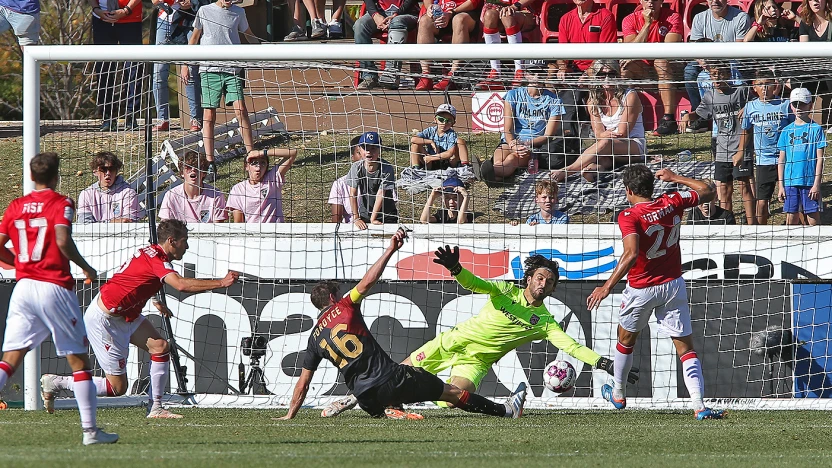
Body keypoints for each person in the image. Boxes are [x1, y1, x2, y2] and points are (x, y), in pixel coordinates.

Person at [322, 251, 639, 418]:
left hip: (476, 361)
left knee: (452, 401)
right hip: (451, 343)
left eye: (550, 281)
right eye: (540, 277)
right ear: (529, 278)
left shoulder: (543, 320)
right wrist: (457, 269)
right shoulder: (503, 291)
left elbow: (570, 346)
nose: (544, 283)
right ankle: (350, 400)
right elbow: (476, 284)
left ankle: (396, 404)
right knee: (396, 374)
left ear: (554, 288)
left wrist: (605, 363)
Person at [278, 229, 528, 421]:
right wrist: (390, 250)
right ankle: (506, 411)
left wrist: (290, 415)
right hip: (392, 380)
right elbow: (367, 282)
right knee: (450, 392)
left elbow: (303, 382)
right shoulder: (344, 306)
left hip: (366, 399)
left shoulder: (314, 339)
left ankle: (389, 410)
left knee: (389, 391)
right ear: (333, 298)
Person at [40, 219, 239, 419]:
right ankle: (57, 383)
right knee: (117, 388)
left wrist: (154, 299)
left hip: (126, 314)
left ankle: (156, 408)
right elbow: (180, 285)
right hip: (105, 320)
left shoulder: (150, 252)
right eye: (184, 241)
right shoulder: (157, 260)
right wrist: (221, 282)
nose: (186, 246)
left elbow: (134, 277)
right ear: (171, 241)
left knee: (160, 347)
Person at [586, 165, 726, 420]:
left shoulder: (629, 215)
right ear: (652, 187)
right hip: (672, 284)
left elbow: (630, 254)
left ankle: (618, 394)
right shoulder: (672, 201)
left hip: (641, 287)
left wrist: (606, 287)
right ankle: (700, 406)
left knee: (625, 339)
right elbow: (707, 191)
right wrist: (675, 177)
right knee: (685, 348)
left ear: (628, 190)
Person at [0, 152, 118, 445]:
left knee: (10, 360)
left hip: (24, 287)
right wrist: (86, 267)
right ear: (55, 177)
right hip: (53, 286)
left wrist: (18, 263)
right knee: (79, 362)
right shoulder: (61, 203)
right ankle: (90, 432)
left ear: (31, 176)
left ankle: (92, 432)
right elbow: (62, 240)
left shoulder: (16, 206)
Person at [181, 0, 259, 174]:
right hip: (209, 70)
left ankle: (251, 155)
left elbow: (248, 34)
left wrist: (265, 50)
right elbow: (194, 38)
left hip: (232, 69)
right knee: (208, 115)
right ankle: (210, 162)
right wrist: (185, 64)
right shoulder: (204, 11)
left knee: (241, 110)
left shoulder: (239, 12)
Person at [551, 60, 645, 183]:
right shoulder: (593, 100)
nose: (607, 78)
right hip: (608, 148)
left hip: (633, 146)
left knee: (605, 144)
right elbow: (598, 133)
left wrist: (604, 136)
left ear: (618, 75)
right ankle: (592, 171)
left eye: (611, 74)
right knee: (602, 158)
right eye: (602, 75)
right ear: (596, 77)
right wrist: (603, 136)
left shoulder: (630, 96)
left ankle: (567, 170)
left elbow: (623, 133)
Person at [688, 63, 755, 224]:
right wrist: (687, 117)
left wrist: (749, 107)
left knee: (744, 187)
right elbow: (698, 114)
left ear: (728, 74)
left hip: (741, 147)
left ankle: (753, 225)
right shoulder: (710, 96)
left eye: (721, 73)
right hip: (722, 149)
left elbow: (757, 104)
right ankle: (728, 223)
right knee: (724, 190)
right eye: (714, 74)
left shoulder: (741, 91)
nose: (717, 77)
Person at [481, 63, 568, 182]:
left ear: (546, 75)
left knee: (511, 159)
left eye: (541, 73)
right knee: (499, 160)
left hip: (533, 145)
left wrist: (526, 143)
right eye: (533, 73)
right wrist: (513, 143)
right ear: (526, 75)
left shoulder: (554, 100)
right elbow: (508, 128)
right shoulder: (513, 95)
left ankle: (485, 173)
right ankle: (494, 175)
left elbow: (548, 136)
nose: (537, 76)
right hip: (509, 140)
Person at [684, 0, 750, 133]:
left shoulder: (741, 17)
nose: (715, 1)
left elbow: (738, 51)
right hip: (707, 60)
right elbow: (696, 48)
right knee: (689, 71)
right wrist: (703, 62)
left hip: (730, 61)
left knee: (735, 71)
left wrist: (716, 65)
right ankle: (700, 115)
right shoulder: (699, 18)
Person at [621, 0, 684, 136]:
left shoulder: (673, 17)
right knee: (624, 69)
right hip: (643, 66)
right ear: (641, 1)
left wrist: (640, 50)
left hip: (669, 66)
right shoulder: (629, 19)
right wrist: (647, 24)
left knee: (661, 62)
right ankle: (622, 118)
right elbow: (630, 50)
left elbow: (669, 49)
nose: (651, 2)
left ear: (661, 1)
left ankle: (669, 119)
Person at [740, 69, 793, 225]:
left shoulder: (784, 105)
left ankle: (794, 227)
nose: (764, 88)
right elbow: (746, 130)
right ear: (754, 87)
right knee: (762, 201)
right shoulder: (750, 107)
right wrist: (740, 152)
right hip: (764, 161)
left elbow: (793, 127)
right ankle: (761, 231)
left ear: (775, 86)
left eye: (768, 84)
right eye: (760, 85)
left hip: (786, 159)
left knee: (790, 198)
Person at [90, 0, 144, 132]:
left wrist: (126, 10)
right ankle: (107, 117)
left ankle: (131, 116)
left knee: (133, 70)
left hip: (130, 19)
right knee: (104, 69)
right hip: (102, 19)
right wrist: (96, 9)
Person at [151, 0, 202, 132]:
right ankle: (162, 119)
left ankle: (195, 118)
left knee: (190, 69)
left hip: (190, 19)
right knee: (159, 72)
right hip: (164, 20)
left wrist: (192, 2)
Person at [778, 87, 826, 226]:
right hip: (790, 182)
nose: (798, 108)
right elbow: (781, 161)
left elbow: (820, 159)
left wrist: (816, 184)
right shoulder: (786, 131)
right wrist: (781, 186)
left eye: (802, 104)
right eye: (795, 104)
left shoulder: (816, 129)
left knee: (812, 217)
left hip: (809, 182)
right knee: (791, 217)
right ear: (791, 106)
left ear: (810, 105)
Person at [414, 0, 480, 91]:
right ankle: (426, 75)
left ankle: (453, 75)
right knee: (425, 21)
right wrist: (430, 7)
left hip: (466, 12)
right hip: (442, 11)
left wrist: (451, 13)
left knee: (459, 20)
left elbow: (473, 2)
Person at [475, 0, 541, 90]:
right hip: (504, 10)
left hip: (528, 12)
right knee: (489, 15)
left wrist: (515, 6)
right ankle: (495, 74)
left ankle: (519, 71)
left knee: (508, 15)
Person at [354, 0, 419, 90]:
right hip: (380, 13)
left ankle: (391, 74)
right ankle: (369, 75)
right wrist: (375, 15)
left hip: (407, 14)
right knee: (359, 25)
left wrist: (396, 15)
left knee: (397, 22)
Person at [226, 147, 297, 223]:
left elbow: (293, 152)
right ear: (246, 166)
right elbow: (238, 222)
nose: (258, 167)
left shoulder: (273, 179)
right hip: (253, 233)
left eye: (262, 163)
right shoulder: (238, 189)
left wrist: (262, 152)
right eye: (254, 163)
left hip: (276, 231)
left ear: (267, 166)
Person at [158, 151, 228, 223]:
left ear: (204, 173)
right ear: (182, 173)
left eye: (197, 167)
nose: (193, 170)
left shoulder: (216, 195)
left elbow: (218, 229)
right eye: (188, 167)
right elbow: (165, 227)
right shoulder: (171, 196)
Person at [348, 131, 399, 229]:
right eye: (365, 148)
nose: (369, 151)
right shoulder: (356, 167)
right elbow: (352, 193)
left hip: (387, 215)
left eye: (373, 148)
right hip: (365, 215)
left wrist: (373, 218)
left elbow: (381, 194)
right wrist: (356, 218)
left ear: (380, 149)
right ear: (359, 149)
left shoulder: (387, 168)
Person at [77, 151, 140, 224]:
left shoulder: (128, 193)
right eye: (103, 169)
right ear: (95, 171)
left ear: (116, 171)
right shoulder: (86, 194)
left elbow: (129, 223)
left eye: (112, 169)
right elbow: (84, 225)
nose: (108, 173)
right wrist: (111, 222)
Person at [799, 0, 832, 129]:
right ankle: (801, 121)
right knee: (797, 80)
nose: (816, 1)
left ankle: (828, 123)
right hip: (812, 67)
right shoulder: (805, 22)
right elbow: (804, 51)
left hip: (830, 67)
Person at [409, 104, 469, 169]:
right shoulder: (430, 131)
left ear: (453, 123)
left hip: (446, 162)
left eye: (448, 121)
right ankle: (415, 168)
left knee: (460, 141)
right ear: (435, 120)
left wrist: (431, 158)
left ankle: (465, 166)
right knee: (415, 145)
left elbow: (449, 153)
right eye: (441, 119)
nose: (444, 123)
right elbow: (413, 139)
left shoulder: (451, 134)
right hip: (429, 162)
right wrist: (430, 142)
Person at [329, 136, 364, 224]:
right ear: (353, 157)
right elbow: (336, 221)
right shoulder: (339, 184)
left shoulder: (383, 179)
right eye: (359, 153)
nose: (364, 157)